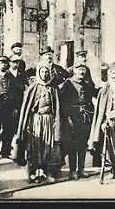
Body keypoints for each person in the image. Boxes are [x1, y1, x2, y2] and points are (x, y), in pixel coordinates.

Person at [14, 64, 62, 183]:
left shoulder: (53, 88)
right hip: (36, 120)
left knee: (48, 147)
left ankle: (46, 172)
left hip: (49, 120)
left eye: (46, 72)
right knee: (34, 147)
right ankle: (33, 172)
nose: (44, 74)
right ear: (39, 73)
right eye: (42, 72)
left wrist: (56, 122)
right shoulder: (33, 88)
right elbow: (27, 107)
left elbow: (57, 107)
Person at [39, 45, 72, 175]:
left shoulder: (58, 69)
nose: (49, 56)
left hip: (60, 106)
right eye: (46, 54)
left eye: (50, 54)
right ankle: (42, 166)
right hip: (46, 109)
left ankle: (57, 164)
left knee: (60, 137)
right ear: (42, 56)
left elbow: (68, 78)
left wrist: (61, 87)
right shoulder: (39, 69)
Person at [60, 63, 95, 180]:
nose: (82, 72)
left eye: (83, 69)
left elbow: (92, 97)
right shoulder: (68, 84)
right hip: (72, 118)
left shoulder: (86, 84)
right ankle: (73, 170)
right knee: (72, 146)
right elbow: (63, 103)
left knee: (83, 145)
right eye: (79, 69)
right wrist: (68, 117)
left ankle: (81, 169)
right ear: (74, 71)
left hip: (85, 118)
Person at [0, 56, 12, 160]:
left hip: (9, 107)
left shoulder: (11, 77)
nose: (3, 64)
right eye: (1, 62)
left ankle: (6, 152)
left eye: (5, 62)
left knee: (8, 129)